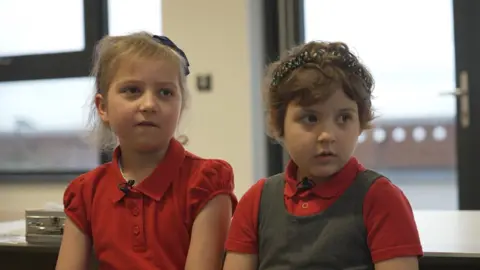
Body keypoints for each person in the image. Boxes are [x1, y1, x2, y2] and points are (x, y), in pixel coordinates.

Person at [223, 41, 423, 270]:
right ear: (279, 124)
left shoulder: (380, 198)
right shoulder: (257, 201)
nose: (327, 135)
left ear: (360, 123)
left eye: (343, 118)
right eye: (310, 118)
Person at [56, 32, 237, 270]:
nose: (149, 105)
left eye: (165, 92)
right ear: (103, 107)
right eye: (132, 90)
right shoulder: (84, 192)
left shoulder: (206, 181)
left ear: (180, 107)